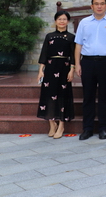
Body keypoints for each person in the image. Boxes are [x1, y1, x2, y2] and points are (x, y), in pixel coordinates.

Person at [75, 0, 106, 140]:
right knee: (88, 96)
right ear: (92, 6)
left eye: (102, 3)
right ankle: (87, 128)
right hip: (87, 62)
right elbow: (78, 45)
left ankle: (103, 128)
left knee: (105, 96)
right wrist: (77, 64)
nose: (99, 6)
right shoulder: (84, 22)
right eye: (96, 3)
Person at [37, 10, 75, 139]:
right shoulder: (49, 36)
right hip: (50, 68)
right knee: (49, 94)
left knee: (63, 95)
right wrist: (40, 71)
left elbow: (73, 56)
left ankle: (61, 125)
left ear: (67, 21)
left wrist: (72, 70)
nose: (62, 21)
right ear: (55, 21)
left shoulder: (71, 37)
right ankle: (52, 123)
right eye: (59, 19)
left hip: (64, 67)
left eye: (64, 19)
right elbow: (44, 53)